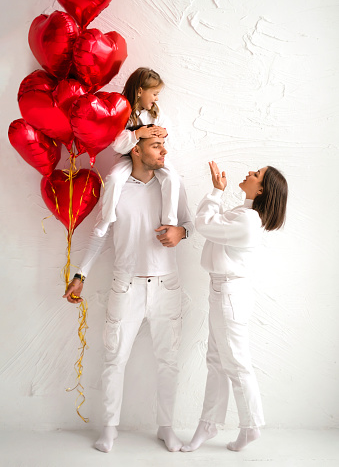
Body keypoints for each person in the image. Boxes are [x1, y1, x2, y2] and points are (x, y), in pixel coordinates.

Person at [63, 134, 193, 454]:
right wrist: (80, 275)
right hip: (127, 285)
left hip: (167, 286)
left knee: (169, 362)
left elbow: (190, 223)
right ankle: (109, 429)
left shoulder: (171, 184)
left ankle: (166, 429)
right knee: (114, 359)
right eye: (155, 145)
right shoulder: (117, 187)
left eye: (164, 144)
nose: (164, 150)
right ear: (136, 150)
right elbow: (99, 234)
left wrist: (181, 231)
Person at [181, 161, 288, 453]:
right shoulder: (244, 213)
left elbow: (204, 223)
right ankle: (209, 423)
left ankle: (250, 425)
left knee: (236, 364)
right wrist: (218, 194)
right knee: (216, 361)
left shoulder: (248, 220)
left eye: (256, 174)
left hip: (229, 293)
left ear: (262, 188)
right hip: (223, 291)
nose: (249, 173)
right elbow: (213, 221)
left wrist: (216, 191)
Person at [94, 67, 180, 237]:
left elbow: (167, 128)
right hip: (131, 157)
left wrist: (164, 132)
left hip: (152, 157)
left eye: (158, 95)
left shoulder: (156, 111)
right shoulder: (123, 111)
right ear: (140, 91)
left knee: (171, 178)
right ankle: (107, 218)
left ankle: (169, 221)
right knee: (114, 179)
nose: (156, 98)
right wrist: (138, 134)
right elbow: (117, 143)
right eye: (154, 93)